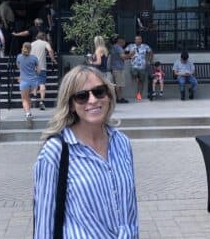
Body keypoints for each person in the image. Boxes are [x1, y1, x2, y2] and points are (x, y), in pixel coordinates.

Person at [33, 65, 139, 238]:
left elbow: (131, 211)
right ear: (71, 105)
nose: (92, 100)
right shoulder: (56, 152)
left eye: (99, 91)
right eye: (81, 96)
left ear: (108, 96)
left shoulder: (122, 143)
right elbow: (44, 224)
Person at [30, 32, 57, 111]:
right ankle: (42, 101)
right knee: (42, 83)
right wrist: (53, 59)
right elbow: (50, 50)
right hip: (41, 67)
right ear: (44, 37)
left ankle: (34, 97)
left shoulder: (31, 44)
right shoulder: (45, 43)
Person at [17, 42, 40, 128]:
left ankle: (28, 113)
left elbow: (19, 67)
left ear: (22, 47)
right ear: (31, 49)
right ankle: (29, 111)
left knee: (24, 99)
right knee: (28, 98)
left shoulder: (19, 57)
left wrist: (21, 75)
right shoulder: (34, 58)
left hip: (24, 81)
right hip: (33, 81)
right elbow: (38, 71)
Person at [125, 35, 153, 101]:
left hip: (142, 67)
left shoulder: (145, 46)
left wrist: (149, 60)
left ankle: (139, 94)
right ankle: (136, 78)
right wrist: (129, 56)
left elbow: (151, 52)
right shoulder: (131, 46)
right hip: (133, 66)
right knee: (134, 75)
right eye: (136, 39)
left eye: (139, 39)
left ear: (141, 40)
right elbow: (123, 52)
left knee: (141, 81)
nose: (138, 40)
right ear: (134, 40)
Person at [110, 36, 129, 104]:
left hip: (116, 68)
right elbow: (123, 57)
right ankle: (119, 98)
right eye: (124, 42)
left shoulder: (114, 47)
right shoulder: (118, 47)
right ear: (120, 41)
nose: (124, 43)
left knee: (119, 84)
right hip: (118, 68)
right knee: (118, 84)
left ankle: (120, 97)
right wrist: (130, 55)